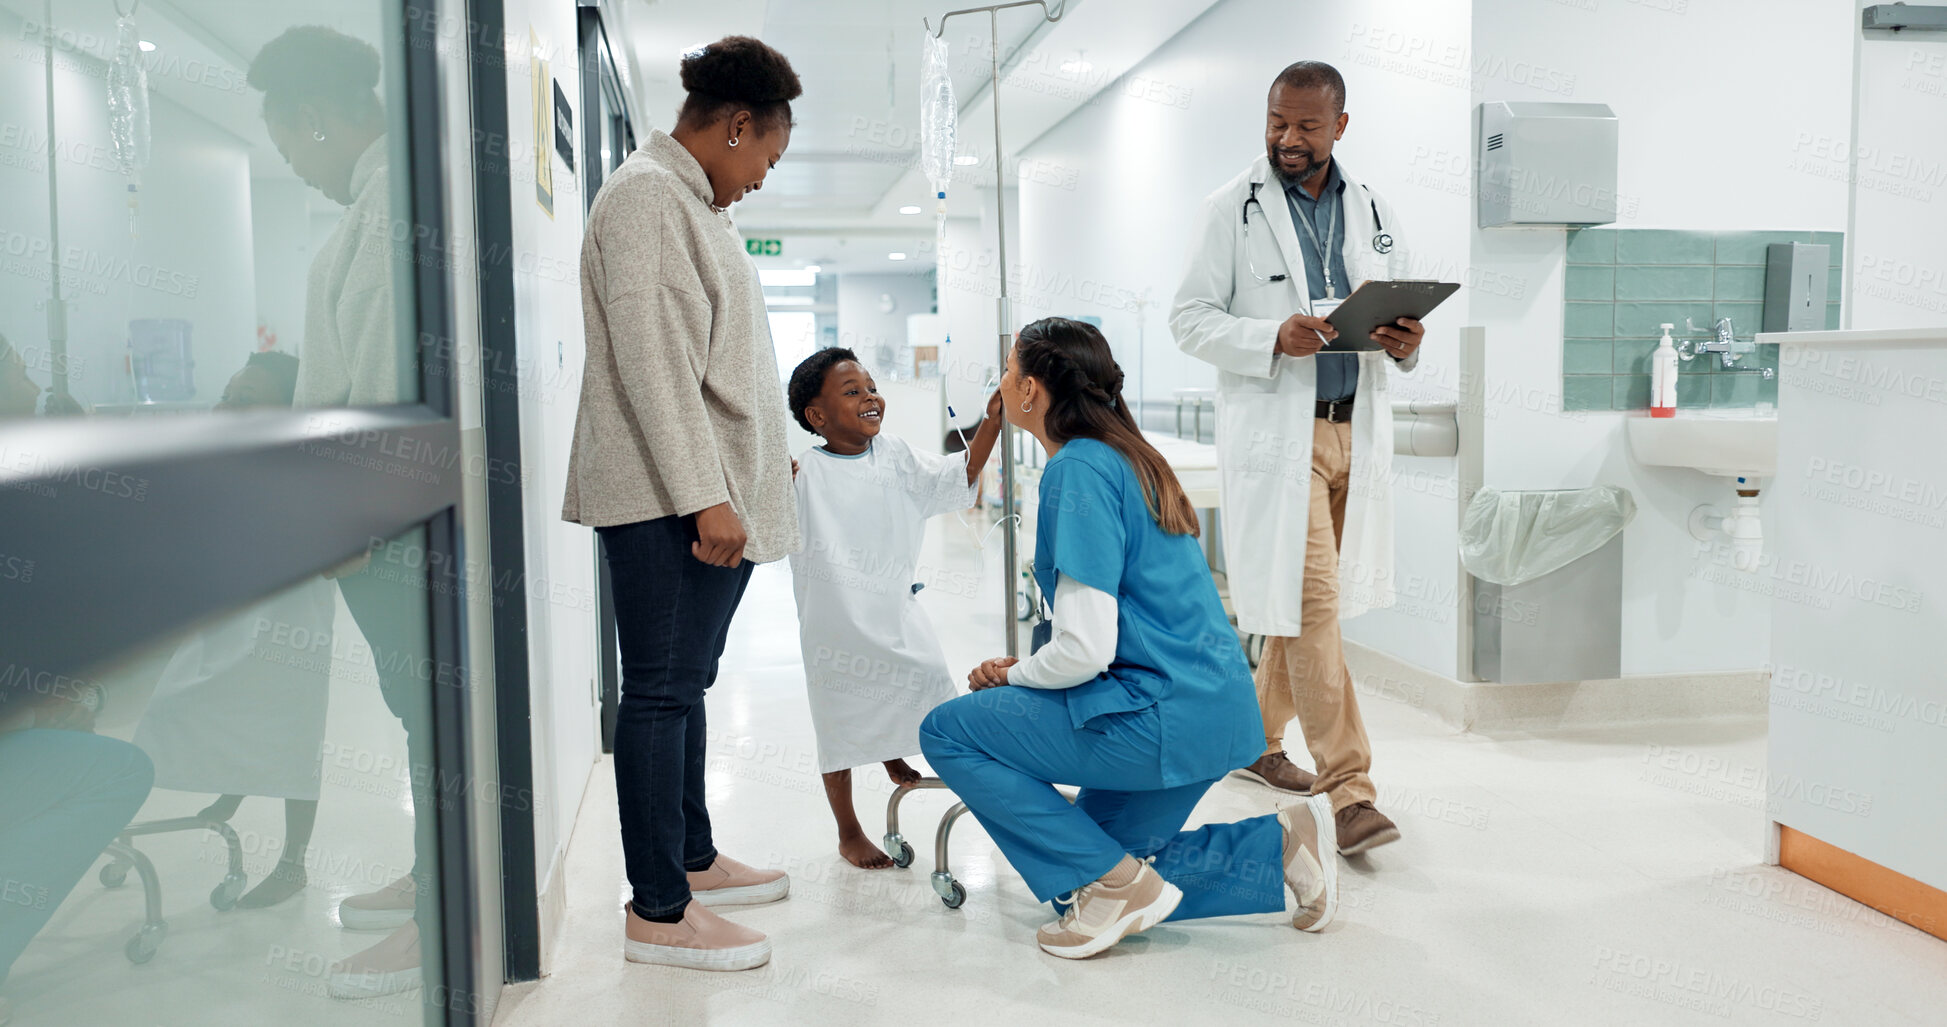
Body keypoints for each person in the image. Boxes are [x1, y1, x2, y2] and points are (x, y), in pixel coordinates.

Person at [920, 317, 1341, 961]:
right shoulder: (1131, 455)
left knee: (947, 730)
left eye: (1008, 370)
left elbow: (1085, 648)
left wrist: (1014, 675)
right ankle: (1280, 843)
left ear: (1030, 391)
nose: (1001, 383)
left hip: (1157, 716)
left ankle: (1116, 886)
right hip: (1215, 713)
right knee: (1088, 863)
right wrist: (1035, 666)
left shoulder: (1077, 471)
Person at [561, 35, 803, 972]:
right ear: (736, 126)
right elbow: (657, 369)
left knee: (683, 687)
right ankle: (658, 910)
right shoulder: (647, 199)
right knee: (659, 694)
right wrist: (707, 494)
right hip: (667, 501)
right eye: (766, 158)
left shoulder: (691, 204)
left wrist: (758, 459)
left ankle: (691, 860)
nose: (761, 180)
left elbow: (717, 364)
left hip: (697, 491)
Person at [1170, 61, 1425, 855]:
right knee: (1313, 603)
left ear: (1339, 125)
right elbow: (1188, 319)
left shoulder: (1374, 206)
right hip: (1283, 437)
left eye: (1307, 125)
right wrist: (1265, 337)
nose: (1287, 138)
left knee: (1301, 603)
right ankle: (1348, 788)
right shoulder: (1230, 208)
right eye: (1277, 122)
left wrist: (1407, 343)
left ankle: (1251, 740)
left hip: (1357, 425)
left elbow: (1399, 308)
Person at [248, 25, 428, 998]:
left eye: (286, 146)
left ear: (314, 120)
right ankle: (432, 876)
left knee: (425, 717)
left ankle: (440, 906)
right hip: (376, 523)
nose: (296, 166)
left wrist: (350, 525)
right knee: (417, 713)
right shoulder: (374, 206)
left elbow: (386, 395)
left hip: (390, 526)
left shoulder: (389, 213)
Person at [783, 348, 1001, 869]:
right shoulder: (804, 473)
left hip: (894, 611)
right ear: (817, 417)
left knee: (925, 680)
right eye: (852, 391)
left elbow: (958, 475)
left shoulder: (897, 456)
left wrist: (992, 424)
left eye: (871, 386)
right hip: (834, 626)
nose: (870, 396)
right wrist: (773, 479)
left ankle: (896, 751)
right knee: (838, 726)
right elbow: (765, 521)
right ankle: (848, 830)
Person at [132, 351, 332, 910]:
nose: (226, 406)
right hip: (227, 617)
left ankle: (293, 864)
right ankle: (232, 785)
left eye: (245, 400)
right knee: (179, 705)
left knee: (293, 736)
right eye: (227, 394)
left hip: (292, 625)